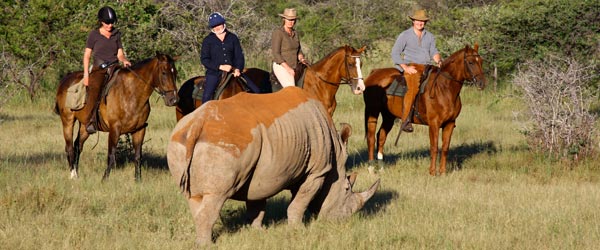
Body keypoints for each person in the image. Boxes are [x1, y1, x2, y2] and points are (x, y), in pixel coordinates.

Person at [391, 9, 442, 132]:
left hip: (427, 67)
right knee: (412, 90)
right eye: (418, 20)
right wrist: (406, 68)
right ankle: (405, 120)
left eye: (423, 21)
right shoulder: (405, 35)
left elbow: (433, 51)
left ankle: (443, 115)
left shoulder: (429, 36)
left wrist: (439, 61)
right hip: (412, 67)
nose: (420, 23)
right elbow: (395, 53)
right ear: (413, 21)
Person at [82, 6, 131, 134]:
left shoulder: (116, 34)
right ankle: (90, 120)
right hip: (99, 68)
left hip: (115, 67)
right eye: (107, 22)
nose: (110, 25)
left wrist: (124, 60)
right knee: (95, 89)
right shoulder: (94, 35)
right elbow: (87, 55)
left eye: (112, 22)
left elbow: (120, 54)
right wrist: (86, 74)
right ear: (101, 22)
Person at [200, 12, 259, 104]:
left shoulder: (233, 38)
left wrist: (238, 69)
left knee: (256, 90)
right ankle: (204, 117)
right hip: (214, 73)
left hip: (233, 71)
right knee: (207, 96)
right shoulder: (208, 41)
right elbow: (204, 59)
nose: (217, 27)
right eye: (214, 26)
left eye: (219, 24)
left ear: (223, 23)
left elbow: (239, 56)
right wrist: (220, 67)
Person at [271, 8, 308, 88]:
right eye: (289, 19)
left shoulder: (295, 33)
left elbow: (299, 50)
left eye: (293, 20)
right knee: (291, 88)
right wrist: (288, 69)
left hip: (295, 65)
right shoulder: (278, 33)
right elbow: (276, 53)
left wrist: (301, 58)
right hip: (281, 65)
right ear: (284, 19)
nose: (291, 22)